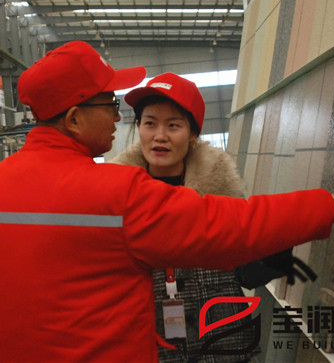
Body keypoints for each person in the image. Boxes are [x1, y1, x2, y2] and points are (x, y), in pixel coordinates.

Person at [0, 41, 334, 363]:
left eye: (173, 124)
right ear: (74, 118)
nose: (117, 117)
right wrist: (323, 204)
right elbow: (229, 224)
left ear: (192, 133)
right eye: (110, 104)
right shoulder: (118, 192)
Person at [112, 72, 279, 362]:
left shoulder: (222, 196)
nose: (160, 135)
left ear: (193, 133)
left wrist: (273, 247)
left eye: (173, 125)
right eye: (150, 123)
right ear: (138, 127)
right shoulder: (116, 200)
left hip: (223, 347)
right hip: (150, 349)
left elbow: (249, 273)